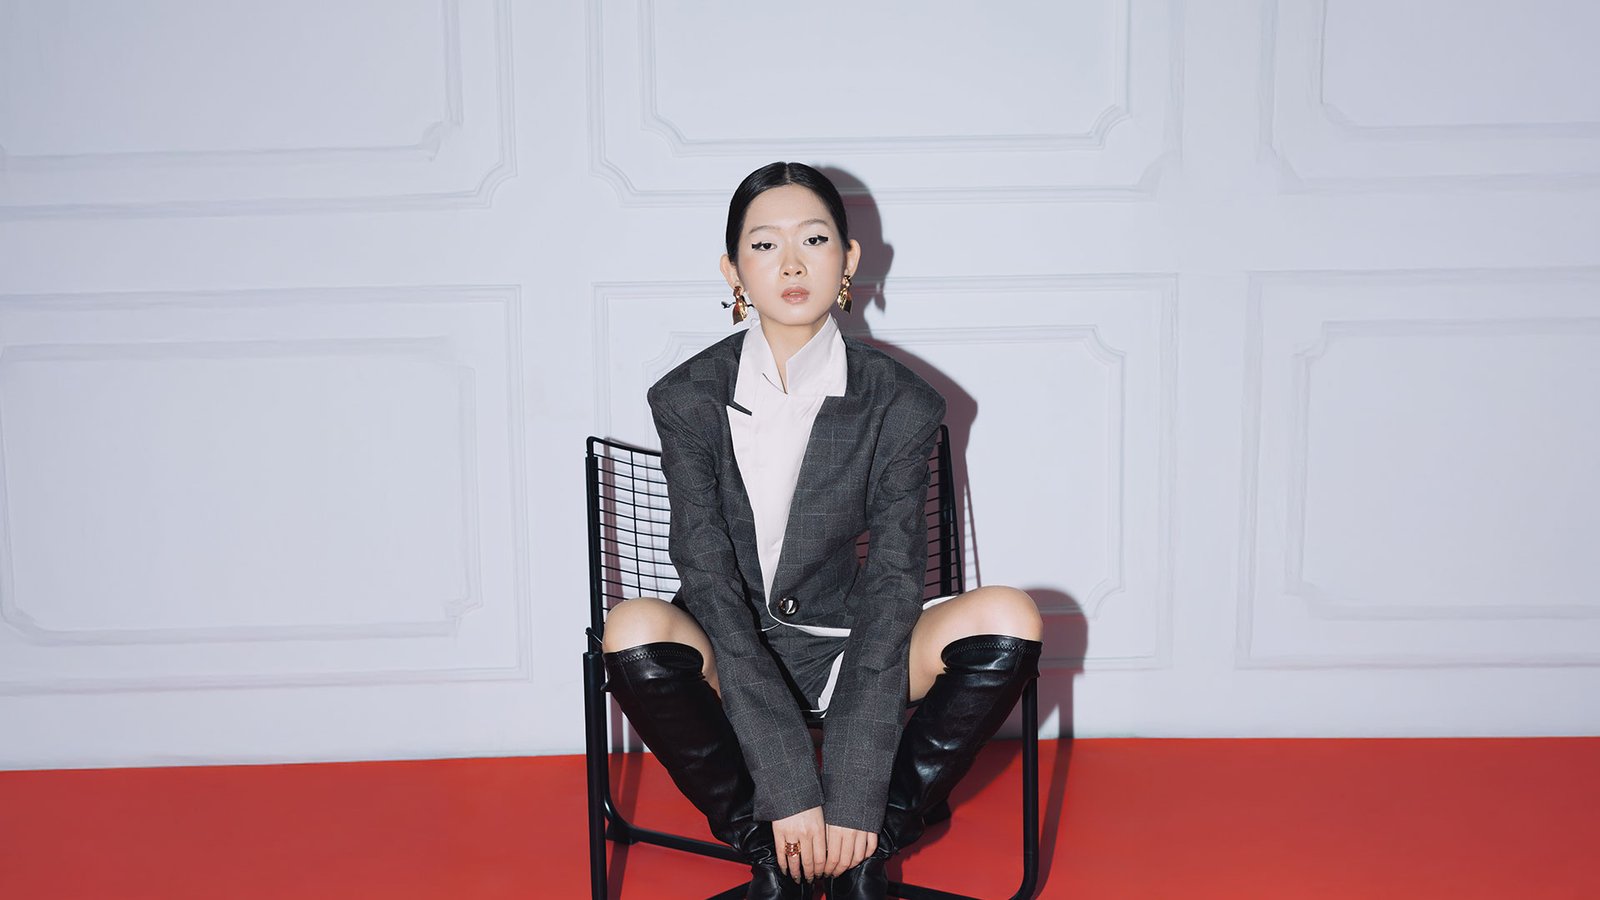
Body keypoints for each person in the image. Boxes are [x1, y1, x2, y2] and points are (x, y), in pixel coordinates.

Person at [601, 162, 1043, 900]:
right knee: (632, 625)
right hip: (729, 642)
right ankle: (772, 853)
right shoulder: (686, 397)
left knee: (1010, 614)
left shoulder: (901, 401)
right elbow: (706, 577)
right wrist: (787, 780)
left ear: (849, 259)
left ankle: (869, 845)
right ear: (733, 270)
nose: (792, 264)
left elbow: (895, 580)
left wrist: (857, 791)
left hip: (852, 643)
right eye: (764, 245)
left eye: (813, 239)